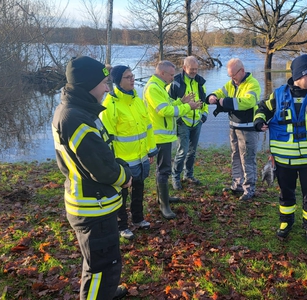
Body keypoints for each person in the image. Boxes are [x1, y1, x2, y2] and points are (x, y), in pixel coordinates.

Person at [52, 56, 131, 300]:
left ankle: (104, 292)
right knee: (103, 267)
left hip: (93, 202)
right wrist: (125, 176)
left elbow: (100, 154)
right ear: (88, 85)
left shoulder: (78, 109)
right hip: (92, 207)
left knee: (99, 262)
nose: (108, 88)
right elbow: (103, 169)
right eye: (104, 83)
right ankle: (99, 293)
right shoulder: (75, 118)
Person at [253, 54, 307, 243]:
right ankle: (286, 222)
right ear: (298, 76)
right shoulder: (279, 94)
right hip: (284, 159)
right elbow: (262, 108)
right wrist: (258, 121)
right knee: (286, 193)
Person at [100, 65, 158, 241]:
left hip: (141, 158)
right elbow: (106, 138)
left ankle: (138, 219)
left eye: (132, 76)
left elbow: (147, 127)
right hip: (122, 162)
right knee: (121, 195)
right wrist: (113, 162)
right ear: (118, 81)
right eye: (127, 77)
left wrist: (151, 149)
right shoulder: (110, 105)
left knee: (139, 190)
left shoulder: (137, 100)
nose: (132, 79)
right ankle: (122, 226)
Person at [144, 60, 201, 219]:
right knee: (163, 169)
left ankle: (163, 198)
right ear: (162, 73)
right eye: (170, 74)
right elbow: (166, 111)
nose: (172, 77)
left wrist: (181, 101)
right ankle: (164, 205)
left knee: (163, 168)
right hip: (159, 137)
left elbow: (170, 104)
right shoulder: (153, 88)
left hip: (165, 135)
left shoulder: (160, 86)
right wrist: (188, 107)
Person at [206, 58, 261, 201]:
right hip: (234, 126)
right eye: (229, 76)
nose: (232, 78)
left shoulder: (252, 84)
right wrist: (213, 96)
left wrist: (227, 102)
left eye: (233, 75)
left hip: (248, 128)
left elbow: (248, 102)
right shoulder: (231, 83)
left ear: (242, 71)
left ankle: (249, 189)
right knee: (235, 156)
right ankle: (237, 185)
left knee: (247, 159)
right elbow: (221, 91)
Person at [167, 56, 208, 190]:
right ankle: (176, 177)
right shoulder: (175, 83)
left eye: (196, 69)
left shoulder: (200, 82)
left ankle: (188, 175)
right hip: (182, 122)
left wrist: (204, 115)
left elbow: (204, 101)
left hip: (197, 122)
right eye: (192, 69)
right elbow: (168, 104)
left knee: (192, 152)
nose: (194, 71)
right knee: (182, 152)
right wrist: (178, 118)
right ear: (184, 68)